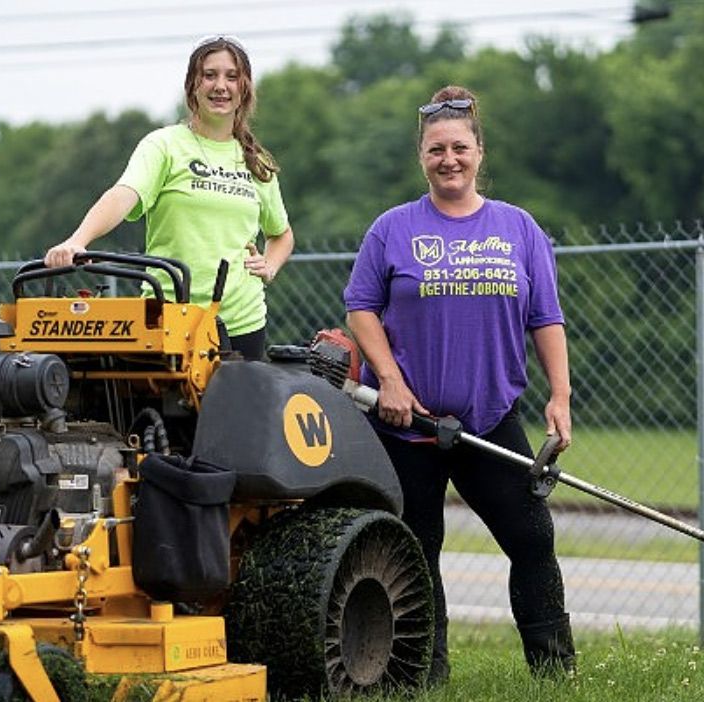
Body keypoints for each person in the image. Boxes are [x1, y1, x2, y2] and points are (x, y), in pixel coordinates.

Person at [342, 85, 576, 684]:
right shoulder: (392, 228)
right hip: (406, 426)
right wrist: (388, 380)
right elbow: (361, 309)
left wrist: (560, 396)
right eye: (436, 149)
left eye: (460, 148)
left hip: (489, 420)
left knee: (531, 538)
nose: (449, 159)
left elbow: (545, 317)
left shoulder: (518, 228)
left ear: (479, 152)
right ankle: (425, 676)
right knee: (416, 554)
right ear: (421, 156)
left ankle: (555, 674)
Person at [45, 35, 294, 361]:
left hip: (241, 323)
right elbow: (124, 194)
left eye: (231, 76)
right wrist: (78, 240)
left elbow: (281, 233)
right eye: (210, 75)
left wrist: (270, 265)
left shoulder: (256, 161)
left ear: (244, 88)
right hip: (168, 316)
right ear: (193, 84)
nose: (221, 85)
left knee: (236, 413)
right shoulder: (164, 145)